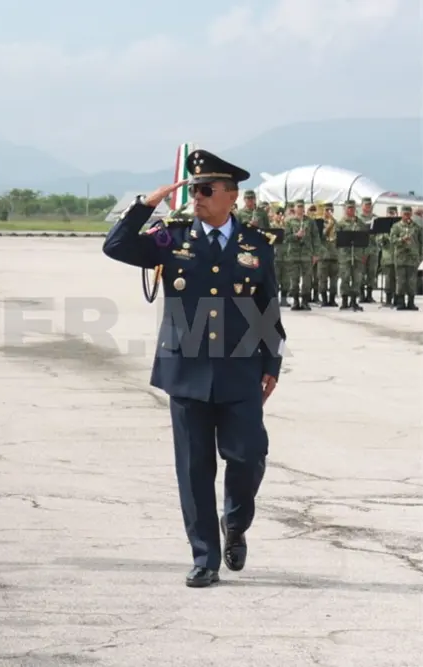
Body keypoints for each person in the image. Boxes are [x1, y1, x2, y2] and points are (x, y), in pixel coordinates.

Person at [102, 149, 286, 588]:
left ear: (231, 197)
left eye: (206, 190)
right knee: (194, 468)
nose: (198, 198)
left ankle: (236, 522)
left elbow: (268, 307)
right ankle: (205, 557)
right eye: (195, 190)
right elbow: (116, 246)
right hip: (186, 368)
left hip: (241, 368)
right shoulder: (172, 237)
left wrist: (272, 362)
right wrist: (147, 205)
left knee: (248, 455)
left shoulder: (256, 244)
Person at [336, 200, 366, 311]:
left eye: (353, 208)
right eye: (349, 208)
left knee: (357, 278)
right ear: (345, 209)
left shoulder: (360, 223)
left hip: (357, 255)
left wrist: (364, 253)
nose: (351, 210)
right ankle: (344, 301)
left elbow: (365, 238)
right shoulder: (341, 224)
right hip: (345, 255)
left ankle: (354, 300)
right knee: (345, 277)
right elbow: (336, 239)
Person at [389, 206, 422, 310]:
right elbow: (392, 240)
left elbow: (421, 242)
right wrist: (402, 239)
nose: (407, 216)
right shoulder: (396, 226)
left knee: (412, 281)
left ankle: (411, 302)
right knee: (401, 280)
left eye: (409, 214)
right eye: (405, 214)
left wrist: (420, 256)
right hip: (400, 257)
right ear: (401, 214)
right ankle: (400, 302)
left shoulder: (416, 227)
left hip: (413, 258)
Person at [316, 203, 339, 306]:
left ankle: (332, 299)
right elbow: (319, 236)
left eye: (330, 210)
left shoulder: (336, 223)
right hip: (323, 255)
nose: (328, 212)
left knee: (334, 280)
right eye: (326, 210)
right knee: (322, 279)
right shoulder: (319, 223)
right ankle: (324, 299)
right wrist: (329, 226)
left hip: (334, 255)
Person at [359, 197, 377, 302]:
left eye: (369, 205)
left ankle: (369, 294)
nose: (368, 207)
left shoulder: (375, 218)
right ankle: (361, 294)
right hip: (362, 249)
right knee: (361, 272)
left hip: (373, 249)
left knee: (372, 272)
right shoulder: (358, 218)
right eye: (366, 205)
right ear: (362, 206)